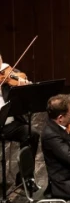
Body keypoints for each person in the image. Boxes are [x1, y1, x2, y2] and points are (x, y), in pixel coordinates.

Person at [0, 53, 40, 190]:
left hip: (9, 123)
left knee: (32, 134)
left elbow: (20, 78)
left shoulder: (8, 74)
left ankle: (25, 178)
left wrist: (24, 86)